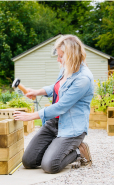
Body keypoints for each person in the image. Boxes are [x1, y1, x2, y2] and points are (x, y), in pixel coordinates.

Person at [13, 35, 94, 174]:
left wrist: (31, 116)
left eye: (61, 56)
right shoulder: (66, 68)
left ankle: (77, 152)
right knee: (28, 161)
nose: (58, 59)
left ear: (71, 55)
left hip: (71, 128)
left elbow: (62, 106)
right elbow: (57, 87)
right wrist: (38, 91)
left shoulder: (83, 79)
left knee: (50, 166)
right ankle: (57, 148)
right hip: (54, 123)